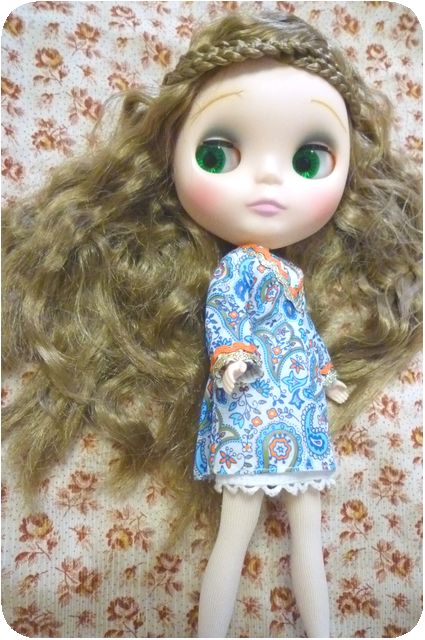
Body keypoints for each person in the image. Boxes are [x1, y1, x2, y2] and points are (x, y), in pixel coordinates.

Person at [2, 11, 421, 638]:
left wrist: (326, 375)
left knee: (307, 535)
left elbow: (302, 336)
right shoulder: (237, 271)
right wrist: (229, 358)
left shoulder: (291, 275)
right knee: (235, 534)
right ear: (171, 154)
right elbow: (226, 318)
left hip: (299, 414)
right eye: (219, 153)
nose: (269, 178)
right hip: (248, 409)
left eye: (309, 160)